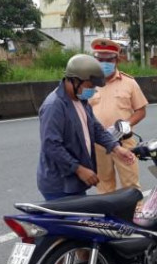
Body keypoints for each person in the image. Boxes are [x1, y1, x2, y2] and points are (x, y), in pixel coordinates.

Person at [37, 54, 135, 201]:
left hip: (74, 182)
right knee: (69, 223)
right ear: (74, 81)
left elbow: (96, 128)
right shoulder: (55, 106)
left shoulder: (80, 100)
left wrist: (116, 147)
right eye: (90, 86)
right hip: (60, 184)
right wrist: (79, 169)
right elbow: (52, 146)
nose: (93, 90)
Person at [88, 38, 149, 193]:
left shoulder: (129, 83)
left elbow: (141, 111)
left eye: (108, 59)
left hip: (124, 142)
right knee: (104, 187)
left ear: (117, 60)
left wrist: (125, 125)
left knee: (131, 186)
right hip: (99, 144)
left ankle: (133, 217)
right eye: (99, 59)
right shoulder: (88, 83)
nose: (104, 63)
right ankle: (110, 216)